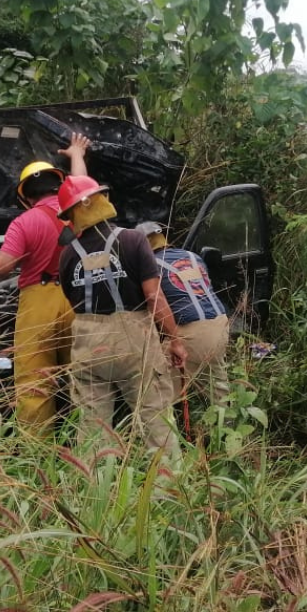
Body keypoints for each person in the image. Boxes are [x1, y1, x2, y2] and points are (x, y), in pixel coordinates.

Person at [56, 174, 186, 459]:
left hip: (88, 343)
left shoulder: (67, 256)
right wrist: (175, 339)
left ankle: (97, 494)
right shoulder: (133, 240)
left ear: (71, 215)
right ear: (100, 200)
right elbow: (154, 296)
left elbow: (71, 300)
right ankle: (167, 490)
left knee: (93, 428)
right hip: (133, 341)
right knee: (155, 421)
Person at [0, 139, 88, 436]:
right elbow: (83, 185)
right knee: (85, 380)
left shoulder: (24, 222)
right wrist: (77, 154)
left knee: (35, 385)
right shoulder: (78, 213)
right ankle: (89, 451)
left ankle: (39, 460)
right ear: (57, 186)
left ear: (24, 196)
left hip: (38, 304)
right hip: (78, 300)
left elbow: (3, 266)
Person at [135, 221, 232, 410]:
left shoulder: (150, 265)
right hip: (220, 325)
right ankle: (227, 433)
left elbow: (152, 301)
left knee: (155, 390)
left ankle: (161, 435)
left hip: (192, 331)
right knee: (216, 385)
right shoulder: (193, 257)